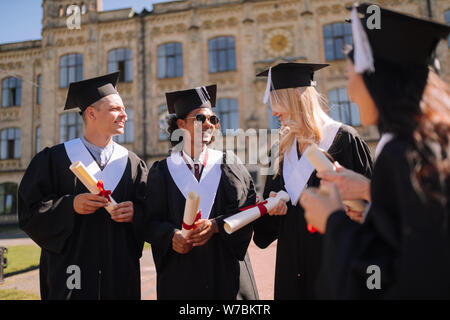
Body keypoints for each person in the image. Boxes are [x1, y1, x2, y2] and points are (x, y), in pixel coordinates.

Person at [300, 3, 450, 298]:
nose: (351, 93)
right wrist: (372, 205)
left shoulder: (401, 154)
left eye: (351, 78)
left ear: (376, 81)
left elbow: (401, 280)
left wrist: (332, 221)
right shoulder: (431, 144)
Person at [18, 72, 148, 300]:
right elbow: (29, 213)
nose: (124, 115)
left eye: (124, 109)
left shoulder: (132, 164)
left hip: (119, 271)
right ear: (91, 113)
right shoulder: (53, 159)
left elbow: (153, 211)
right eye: (115, 109)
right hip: (70, 270)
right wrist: (70, 206)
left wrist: (136, 213)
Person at [252, 62, 374, 299]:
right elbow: (266, 233)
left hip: (336, 269)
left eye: (277, 100)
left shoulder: (344, 140)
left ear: (297, 97)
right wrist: (272, 209)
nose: (273, 111)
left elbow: (374, 213)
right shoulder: (278, 153)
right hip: (291, 273)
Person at [137, 85, 259, 299]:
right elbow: (148, 221)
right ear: (181, 124)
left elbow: (249, 210)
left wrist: (217, 226)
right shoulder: (162, 172)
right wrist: (170, 236)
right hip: (182, 277)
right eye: (200, 118)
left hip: (228, 275)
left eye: (214, 119)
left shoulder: (230, 165)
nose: (209, 124)